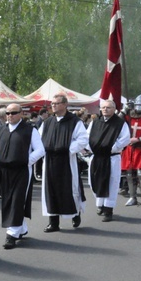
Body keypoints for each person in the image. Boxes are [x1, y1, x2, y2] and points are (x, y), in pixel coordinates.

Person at [0, 102, 45, 248]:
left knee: (17, 199)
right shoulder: (0, 130)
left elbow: (40, 150)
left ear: (21, 114)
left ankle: (11, 234)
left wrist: (26, 161)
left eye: (13, 113)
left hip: (21, 171)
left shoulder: (29, 130)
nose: (10, 116)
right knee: (8, 199)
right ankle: (21, 228)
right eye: (7, 113)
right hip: (3, 170)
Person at [39, 93, 89, 232]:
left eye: (57, 103)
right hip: (49, 161)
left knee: (69, 189)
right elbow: (39, 138)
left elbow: (83, 139)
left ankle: (75, 213)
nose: (53, 106)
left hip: (67, 160)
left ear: (65, 104)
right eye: (52, 104)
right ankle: (53, 222)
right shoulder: (47, 122)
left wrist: (67, 149)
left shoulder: (74, 121)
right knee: (50, 191)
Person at [85, 100, 130, 222]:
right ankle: (100, 204)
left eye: (108, 107)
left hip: (111, 158)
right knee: (94, 180)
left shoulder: (120, 123)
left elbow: (125, 139)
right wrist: (91, 148)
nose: (105, 109)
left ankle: (108, 210)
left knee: (111, 183)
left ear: (114, 109)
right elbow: (87, 137)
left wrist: (112, 148)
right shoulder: (95, 122)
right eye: (103, 107)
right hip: (96, 157)